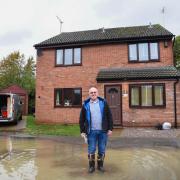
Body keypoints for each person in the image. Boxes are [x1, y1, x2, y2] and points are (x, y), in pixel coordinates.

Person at [79, 87, 113, 173]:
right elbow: (81, 119)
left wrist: (110, 128)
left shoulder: (103, 103)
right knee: (91, 149)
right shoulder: (85, 105)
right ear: (89, 94)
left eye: (95, 92)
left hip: (103, 131)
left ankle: (100, 166)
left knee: (102, 149)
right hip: (91, 132)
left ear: (97, 93)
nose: (93, 94)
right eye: (91, 93)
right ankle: (91, 167)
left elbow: (109, 116)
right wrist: (82, 131)